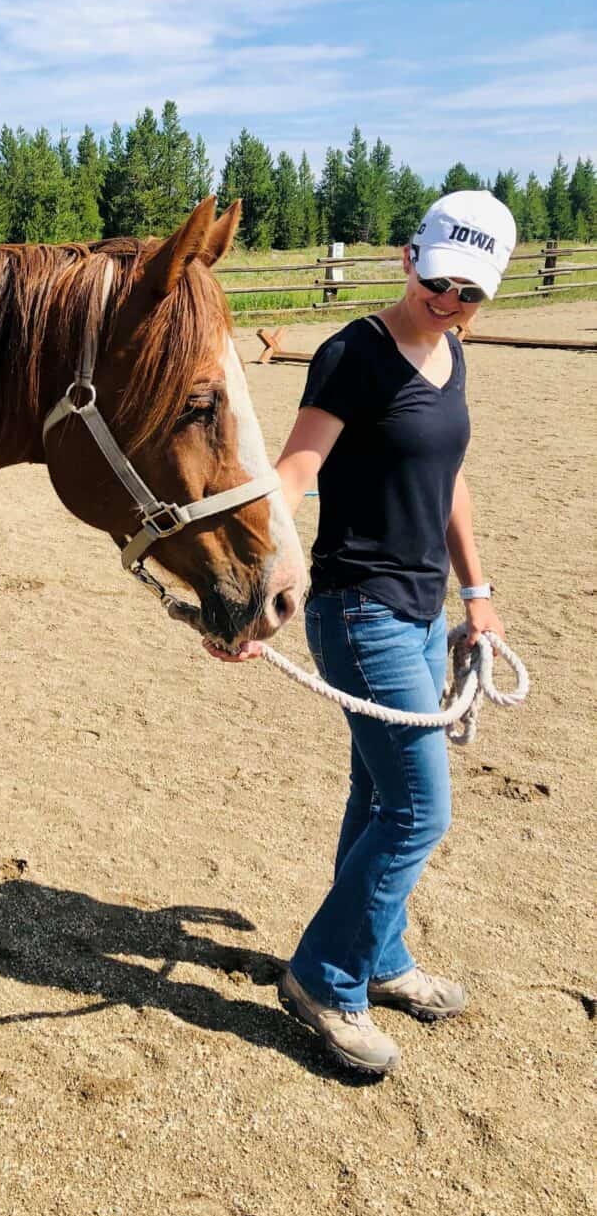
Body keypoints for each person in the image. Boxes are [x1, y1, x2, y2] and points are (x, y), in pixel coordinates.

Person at [210, 189, 514, 1076]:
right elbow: (296, 471)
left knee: (381, 799)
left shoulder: (451, 351)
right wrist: (245, 587)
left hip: (423, 612)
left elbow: (449, 476)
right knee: (419, 810)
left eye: (471, 293)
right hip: (358, 610)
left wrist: (478, 592)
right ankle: (324, 977)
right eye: (442, 280)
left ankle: (379, 958)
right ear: (410, 257)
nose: (451, 301)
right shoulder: (353, 354)